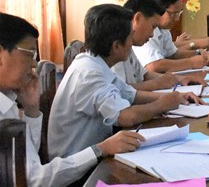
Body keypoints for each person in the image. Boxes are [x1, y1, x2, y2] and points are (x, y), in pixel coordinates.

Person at [0, 13, 144, 187]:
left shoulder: (7, 99)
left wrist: (31, 110)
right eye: (30, 53)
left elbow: (25, 159)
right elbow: (34, 180)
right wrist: (100, 149)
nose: (33, 64)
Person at [48, 5, 199, 160]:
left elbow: (131, 94)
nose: (132, 43)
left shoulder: (96, 63)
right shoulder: (89, 73)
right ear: (117, 46)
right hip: (78, 163)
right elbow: (126, 117)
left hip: (96, 151)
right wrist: (161, 105)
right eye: (130, 37)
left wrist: (177, 97)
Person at [112, 0, 207, 90]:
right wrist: (157, 85)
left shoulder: (129, 45)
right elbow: (121, 90)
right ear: (138, 18)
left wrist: (179, 79)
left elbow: (144, 75)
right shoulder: (116, 48)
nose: (152, 34)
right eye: (153, 27)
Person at [133, 0, 209, 73]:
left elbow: (173, 54)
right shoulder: (146, 30)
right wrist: (191, 63)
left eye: (179, 13)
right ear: (158, 9)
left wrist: (198, 53)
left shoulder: (163, 29)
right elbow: (154, 66)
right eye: (173, 14)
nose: (177, 19)